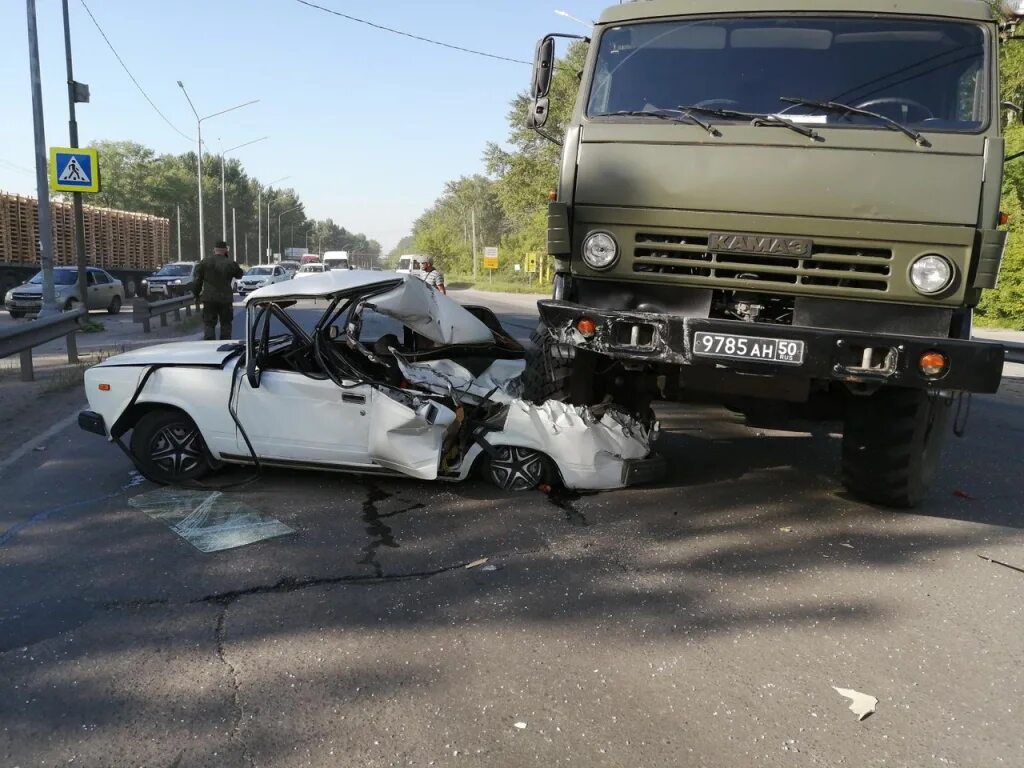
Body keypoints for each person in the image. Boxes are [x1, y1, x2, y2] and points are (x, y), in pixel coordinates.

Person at [194, 240, 243, 340]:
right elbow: (239, 275)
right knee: (226, 323)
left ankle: (209, 345)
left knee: (209, 323)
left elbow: (197, 280)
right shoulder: (230, 263)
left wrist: (196, 294)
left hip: (209, 299)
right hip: (225, 299)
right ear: (226, 250)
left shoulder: (205, 262)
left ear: (214, 250)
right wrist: (228, 259)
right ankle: (224, 345)